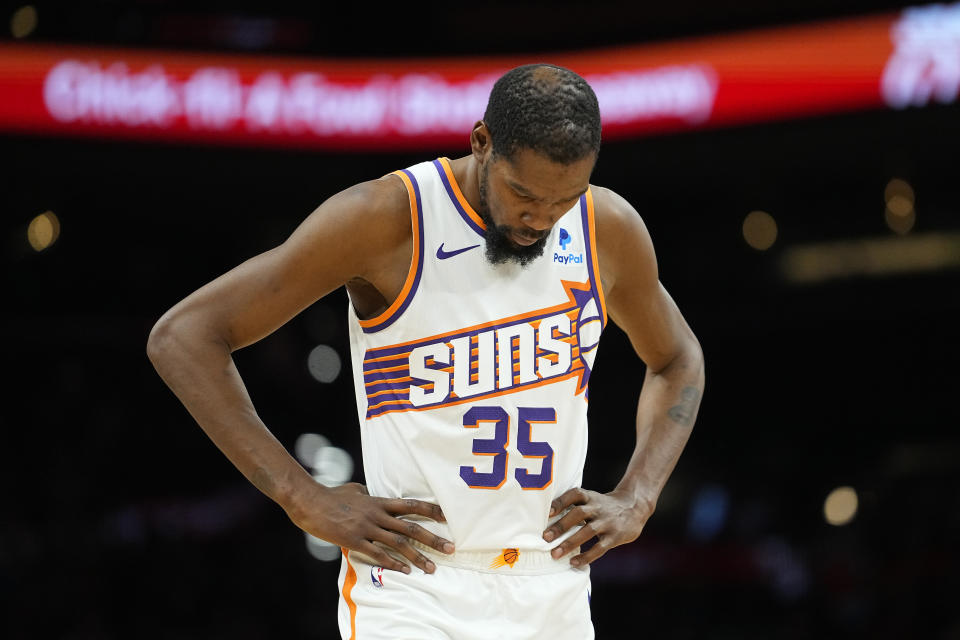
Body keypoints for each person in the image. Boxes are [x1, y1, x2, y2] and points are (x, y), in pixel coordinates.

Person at [147, 63, 704, 639]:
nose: (540, 220)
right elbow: (184, 337)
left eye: (563, 199)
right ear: (481, 142)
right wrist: (300, 496)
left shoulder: (605, 229)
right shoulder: (384, 218)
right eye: (523, 194)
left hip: (552, 586)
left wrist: (638, 497)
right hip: (413, 582)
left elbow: (678, 359)